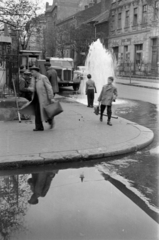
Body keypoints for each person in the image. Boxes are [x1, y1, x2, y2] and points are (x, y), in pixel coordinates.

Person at [21, 66, 55, 131]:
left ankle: (50, 120)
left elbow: (49, 88)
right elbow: (33, 88)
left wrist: (51, 97)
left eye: (32, 72)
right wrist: (29, 89)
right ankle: (39, 127)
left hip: (43, 98)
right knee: (37, 113)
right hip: (36, 98)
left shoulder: (43, 78)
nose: (32, 73)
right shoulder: (33, 79)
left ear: (37, 72)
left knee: (45, 112)